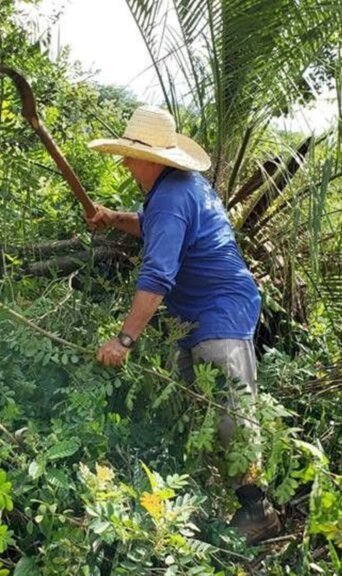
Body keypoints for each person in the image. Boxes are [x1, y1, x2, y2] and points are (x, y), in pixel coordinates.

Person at [86, 105, 281, 544]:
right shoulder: (172, 190)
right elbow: (156, 227)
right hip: (192, 313)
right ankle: (220, 495)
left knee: (230, 411)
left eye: (130, 155)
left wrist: (124, 339)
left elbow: (156, 275)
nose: (124, 162)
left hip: (221, 309)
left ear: (152, 159)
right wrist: (113, 217)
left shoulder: (172, 196)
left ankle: (258, 511)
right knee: (198, 403)